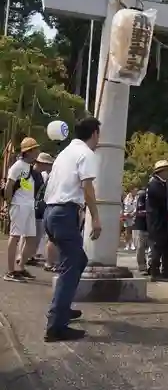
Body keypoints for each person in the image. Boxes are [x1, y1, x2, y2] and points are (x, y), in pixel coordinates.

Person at [43, 117, 101, 342]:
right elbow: (87, 188)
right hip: (64, 213)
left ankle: (62, 308)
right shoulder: (86, 153)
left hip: (51, 212)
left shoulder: (64, 153)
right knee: (71, 265)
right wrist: (96, 218)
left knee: (78, 260)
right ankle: (56, 325)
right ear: (94, 133)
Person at [3, 137, 41, 282]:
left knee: (31, 238)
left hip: (29, 205)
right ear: (29, 151)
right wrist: (9, 203)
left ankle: (20, 267)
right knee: (15, 237)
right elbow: (9, 185)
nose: (37, 152)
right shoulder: (18, 166)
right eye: (35, 149)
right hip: (19, 204)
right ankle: (10, 271)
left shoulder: (28, 167)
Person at [147, 160, 168, 281]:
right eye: (166, 170)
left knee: (167, 246)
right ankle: (155, 272)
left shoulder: (164, 183)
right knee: (157, 247)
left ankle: (166, 271)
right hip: (157, 221)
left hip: (164, 221)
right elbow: (163, 200)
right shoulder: (154, 184)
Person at [32, 152, 55, 265]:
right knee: (37, 233)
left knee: (39, 233)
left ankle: (30, 255)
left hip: (41, 205)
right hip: (38, 206)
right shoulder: (37, 174)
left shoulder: (45, 175)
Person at [133, 186, 149, 274]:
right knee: (140, 247)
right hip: (141, 225)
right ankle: (142, 267)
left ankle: (151, 266)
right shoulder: (142, 196)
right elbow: (139, 211)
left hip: (150, 225)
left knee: (151, 248)